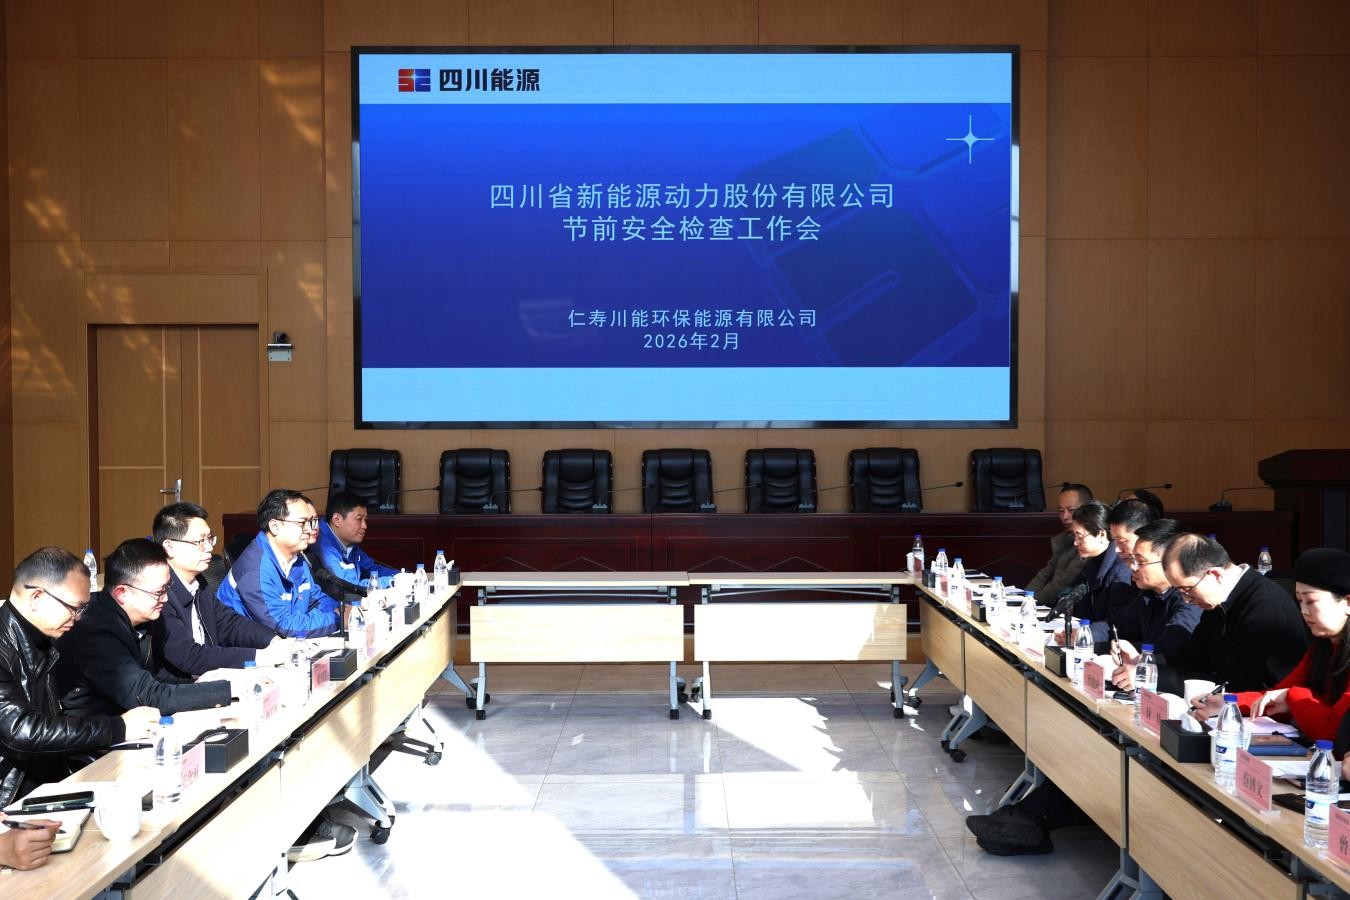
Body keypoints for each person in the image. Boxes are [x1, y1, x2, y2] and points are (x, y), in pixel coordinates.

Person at [0, 548, 159, 809]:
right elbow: (23, 732)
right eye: (74, 608)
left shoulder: (43, 639)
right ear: (37, 597)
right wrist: (118, 727)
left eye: (83, 608)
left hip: (53, 778)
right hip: (13, 798)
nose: (78, 618)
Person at [57, 540, 233, 719]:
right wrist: (226, 691)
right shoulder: (96, 633)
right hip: (94, 728)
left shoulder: (140, 617)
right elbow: (147, 696)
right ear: (122, 593)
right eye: (159, 592)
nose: (165, 599)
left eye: (168, 588)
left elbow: (148, 681)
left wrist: (203, 685)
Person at [1162, 534, 1309, 706]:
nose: (1186, 600)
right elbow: (1194, 660)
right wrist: (1149, 666)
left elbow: (1241, 685)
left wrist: (1160, 677)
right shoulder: (1218, 602)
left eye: (1187, 589)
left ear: (1215, 574)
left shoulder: (1265, 609)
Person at [151, 502, 290, 678]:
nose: (209, 547)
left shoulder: (198, 583)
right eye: (200, 541)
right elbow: (190, 657)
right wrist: (260, 657)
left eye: (210, 539)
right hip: (180, 688)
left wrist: (273, 640)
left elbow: (229, 624)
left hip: (210, 679)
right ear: (169, 547)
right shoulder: (158, 595)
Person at [1234, 549, 1350, 742]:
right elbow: (1275, 696)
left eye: (1311, 601)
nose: (1303, 611)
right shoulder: (1322, 647)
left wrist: (1292, 696)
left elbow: (1333, 731)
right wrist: (1227, 703)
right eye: (1300, 601)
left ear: (1347, 602)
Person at [216, 490, 341, 638]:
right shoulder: (256, 569)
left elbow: (315, 599)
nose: (309, 529)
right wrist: (337, 619)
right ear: (275, 527)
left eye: (311, 522)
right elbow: (282, 626)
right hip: (244, 648)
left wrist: (341, 610)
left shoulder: (296, 558)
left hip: (285, 643)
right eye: (302, 523)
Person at [1106, 518, 1202, 689]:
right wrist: (1084, 635)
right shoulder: (1149, 594)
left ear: (1170, 562)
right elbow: (1116, 625)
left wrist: (1138, 658)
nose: (1133, 567)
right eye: (1132, 560)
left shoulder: (1190, 599)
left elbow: (1169, 652)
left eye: (1140, 562)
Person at [1066, 500, 1134, 642]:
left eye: (1080, 536)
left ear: (1101, 535)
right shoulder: (1093, 562)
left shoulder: (1121, 570)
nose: (1075, 542)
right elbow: (1082, 612)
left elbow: (1116, 625)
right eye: (1074, 536)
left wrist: (1084, 635)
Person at [315, 492, 398, 590]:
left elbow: (372, 569)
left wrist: (402, 576)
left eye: (365, 520)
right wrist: (393, 581)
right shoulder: (323, 546)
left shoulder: (348, 543)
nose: (365, 526)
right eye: (359, 519)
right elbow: (349, 587)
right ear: (337, 519)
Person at [1025, 483, 1092, 605]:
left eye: (1071, 510)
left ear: (1088, 509)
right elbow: (1046, 573)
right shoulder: (1065, 537)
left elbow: (1064, 580)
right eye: (1061, 511)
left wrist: (1032, 602)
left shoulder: (1090, 541)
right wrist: (1025, 596)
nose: (1065, 516)